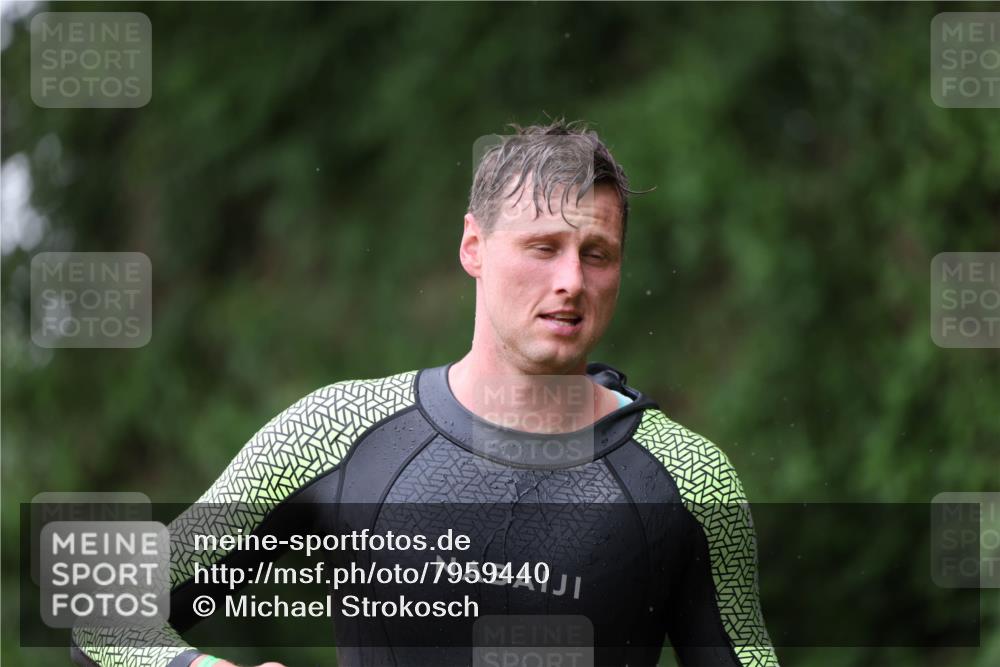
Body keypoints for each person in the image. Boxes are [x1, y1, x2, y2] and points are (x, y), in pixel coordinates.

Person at [71, 119, 780, 667]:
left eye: (596, 254)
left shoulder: (690, 479)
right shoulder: (338, 431)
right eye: (543, 247)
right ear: (474, 246)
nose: (571, 280)